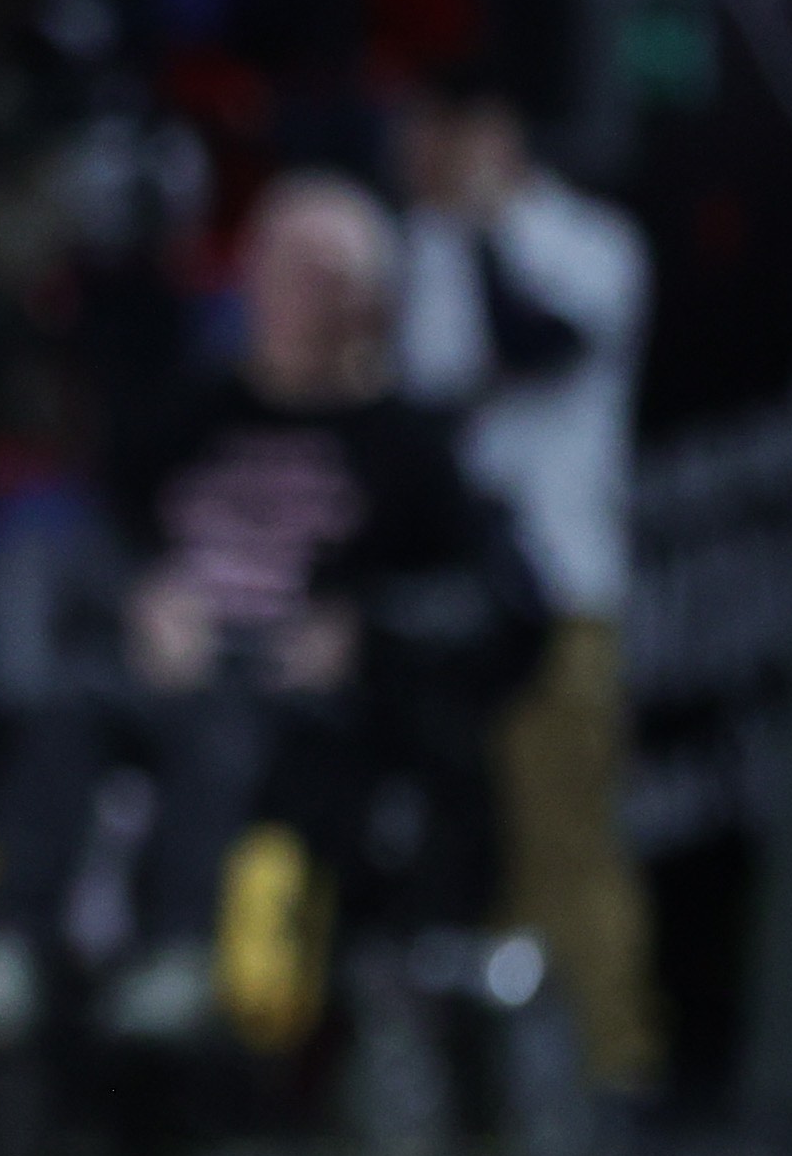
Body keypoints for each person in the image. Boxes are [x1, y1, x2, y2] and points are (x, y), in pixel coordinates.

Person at [56, 171, 540, 1040]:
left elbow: (502, 603)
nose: (304, 297)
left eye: (329, 278)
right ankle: (3, 959)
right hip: (164, 673)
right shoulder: (183, 417)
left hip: (310, 711)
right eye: (285, 269)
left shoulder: (415, 443)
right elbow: (84, 547)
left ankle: (182, 959)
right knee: (58, 718)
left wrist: (368, 631)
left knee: (221, 728)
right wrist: (142, 599)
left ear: (373, 301)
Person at [396, 66, 659, 1101]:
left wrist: (482, 220)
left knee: (568, 837)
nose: (420, 154)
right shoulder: (416, 249)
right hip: (453, 602)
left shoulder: (589, 244)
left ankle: (614, 1064)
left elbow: (528, 342)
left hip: (563, 592)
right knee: (467, 847)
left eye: (442, 131)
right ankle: (494, 1083)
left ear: (493, 132)